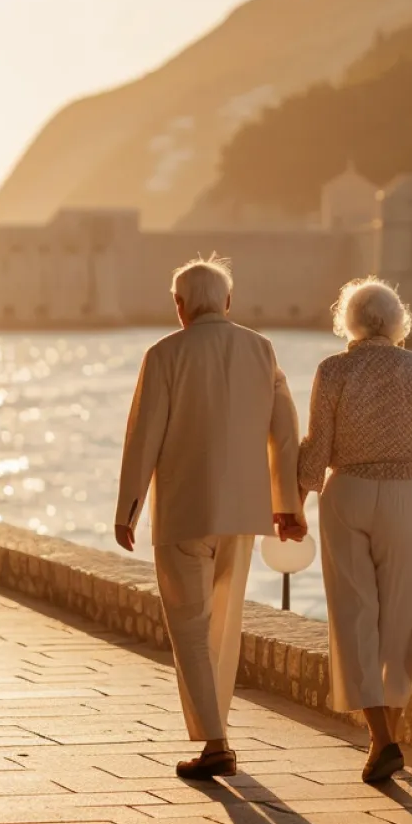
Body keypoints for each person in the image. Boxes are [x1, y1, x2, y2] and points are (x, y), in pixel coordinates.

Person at [115, 256, 306, 780]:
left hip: (184, 513)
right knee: (224, 626)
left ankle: (216, 741)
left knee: (191, 629)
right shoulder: (261, 349)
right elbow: (285, 431)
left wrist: (128, 508)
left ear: (179, 306)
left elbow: (143, 436)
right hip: (242, 515)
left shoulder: (164, 355)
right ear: (227, 301)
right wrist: (287, 505)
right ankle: (217, 734)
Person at [298, 277, 412, 784]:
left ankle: (380, 740)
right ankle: (388, 738)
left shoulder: (333, 370)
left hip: (346, 495)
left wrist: (295, 504)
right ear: (396, 321)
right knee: (399, 618)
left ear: (349, 320)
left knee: (354, 616)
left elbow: (316, 447)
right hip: (407, 496)